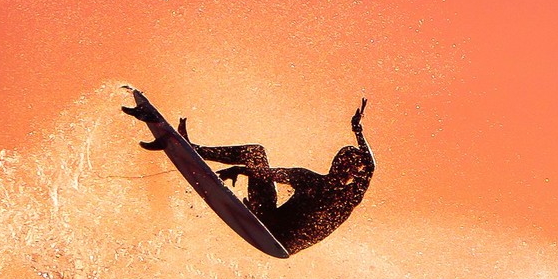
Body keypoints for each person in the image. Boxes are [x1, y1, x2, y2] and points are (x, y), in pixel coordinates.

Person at [126, 95, 375, 255]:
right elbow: (265, 173)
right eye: (338, 161)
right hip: (268, 221)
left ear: (353, 172)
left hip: (283, 240)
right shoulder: (308, 178)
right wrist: (241, 170)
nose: (339, 166)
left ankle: (189, 147)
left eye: (345, 165)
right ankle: (189, 147)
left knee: (254, 159)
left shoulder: (349, 196)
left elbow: (371, 167)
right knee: (256, 153)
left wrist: (358, 132)